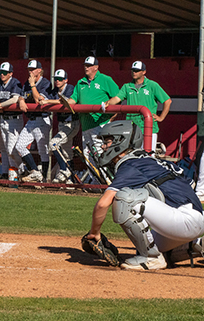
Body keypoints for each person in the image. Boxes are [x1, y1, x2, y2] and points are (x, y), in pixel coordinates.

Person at [84, 120, 204, 270]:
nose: (103, 146)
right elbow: (190, 184)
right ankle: (194, 245)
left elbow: (103, 203)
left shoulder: (131, 164)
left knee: (124, 198)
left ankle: (151, 258)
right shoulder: (150, 160)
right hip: (193, 218)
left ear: (122, 142)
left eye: (108, 142)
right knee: (146, 245)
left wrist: (94, 233)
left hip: (184, 220)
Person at [104, 60, 171, 153]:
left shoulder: (152, 85)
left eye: (137, 70)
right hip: (132, 128)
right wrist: (108, 103)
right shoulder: (127, 86)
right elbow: (117, 98)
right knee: (133, 156)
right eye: (133, 70)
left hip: (148, 128)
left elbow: (167, 101)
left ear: (144, 72)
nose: (134, 72)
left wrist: (161, 117)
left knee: (148, 157)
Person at [64, 56, 119, 156]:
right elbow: (73, 99)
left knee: (100, 155)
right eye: (85, 65)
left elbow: (118, 98)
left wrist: (112, 118)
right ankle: (92, 173)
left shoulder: (105, 79)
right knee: (88, 156)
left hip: (100, 123)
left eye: (89, 66)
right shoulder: (80, 82)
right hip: (85, 125)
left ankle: (104, 173)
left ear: (96, 67)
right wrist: (63, 102)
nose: (86, 68)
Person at [40, 69, 80, 183]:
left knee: (53, 144)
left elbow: (63, 101)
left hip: (71, 123)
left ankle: (64, 170)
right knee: (67, 154)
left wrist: (48, 102)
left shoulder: (70, 88)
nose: (57, 81)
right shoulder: (54, 90)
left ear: (65, 80)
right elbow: (44, 97)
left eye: (60, 79)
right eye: (56, 79)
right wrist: (42, 99)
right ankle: (71, 180)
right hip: (62, 124)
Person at [15, 60, 52, 183]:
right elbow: (22, 95)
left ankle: (44, 180)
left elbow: (38, 100)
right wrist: (21, 100)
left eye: (33, 69)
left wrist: (32, 85)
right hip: (31, 119)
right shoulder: (27, 83)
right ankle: (36, 172)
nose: (30, 72)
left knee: (43, 150)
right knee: (19, 145)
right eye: (29, 69)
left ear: (39, 70)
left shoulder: (46, 83)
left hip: (43, 118)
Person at [0, 62, 23, 181]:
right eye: (1, 72)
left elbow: (14, 99)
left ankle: (24, 169)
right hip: (3, 119)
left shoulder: (15, 82)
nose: (2, 75)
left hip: (14, 119)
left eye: (5, 73)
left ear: (10, 74)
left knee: (11, 149)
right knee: (7, 150)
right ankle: (13, 175)